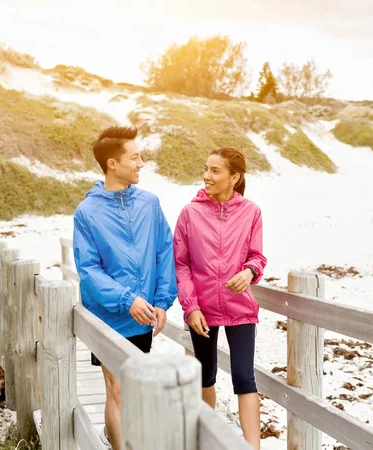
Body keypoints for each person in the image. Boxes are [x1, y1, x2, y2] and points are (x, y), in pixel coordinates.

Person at [73, 126, 177, 449]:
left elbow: (164, 251)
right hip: (107, 317)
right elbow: (88, 270)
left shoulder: (149, 203)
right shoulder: (87, 213)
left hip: (143, 316)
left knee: (134, 389)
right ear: (112, 164)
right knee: (116, 388)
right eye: (135, 157)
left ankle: (121, 437)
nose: (141, 163)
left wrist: (161, 301)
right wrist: (125, 298)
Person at [173, 147, 267, 450]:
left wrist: (251, 271)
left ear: (234, 177)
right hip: (201, 309)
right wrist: (191, 308)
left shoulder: (251, 212)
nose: (206, 176)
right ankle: (205, 442)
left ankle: (252, 447)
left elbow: (257, 256)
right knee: (205, 375)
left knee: (244, 377)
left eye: (215, 170)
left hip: (240, 307)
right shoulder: (190, 213)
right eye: (206, 168)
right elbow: (181, 263)